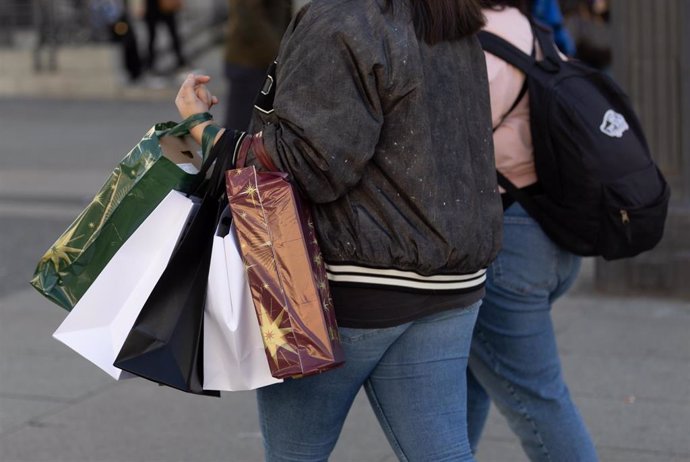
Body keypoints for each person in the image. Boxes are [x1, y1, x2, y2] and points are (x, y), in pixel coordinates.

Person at [175, 0, 503, 459]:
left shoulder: (341, 18)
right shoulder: (448, 15)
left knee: (296, 455)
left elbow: (306, 165)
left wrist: (200, 130)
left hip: (340, 288)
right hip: (451, 279)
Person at [466, 1, 599, 461]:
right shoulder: (528, 26)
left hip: (506, 248)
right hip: (550, 232)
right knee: (472, 376)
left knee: (538, 404)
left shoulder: (463, 43)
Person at [224, 0, 292, 130]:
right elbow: (248, 17)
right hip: (250, 62)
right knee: (239, 128)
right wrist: (279, 52)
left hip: (264, 60)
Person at [144, 0, 186, 72]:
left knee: (173, 33)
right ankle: (150, 64)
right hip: (151, 7)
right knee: (152, 37)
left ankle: (181, 60)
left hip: (164, 5)